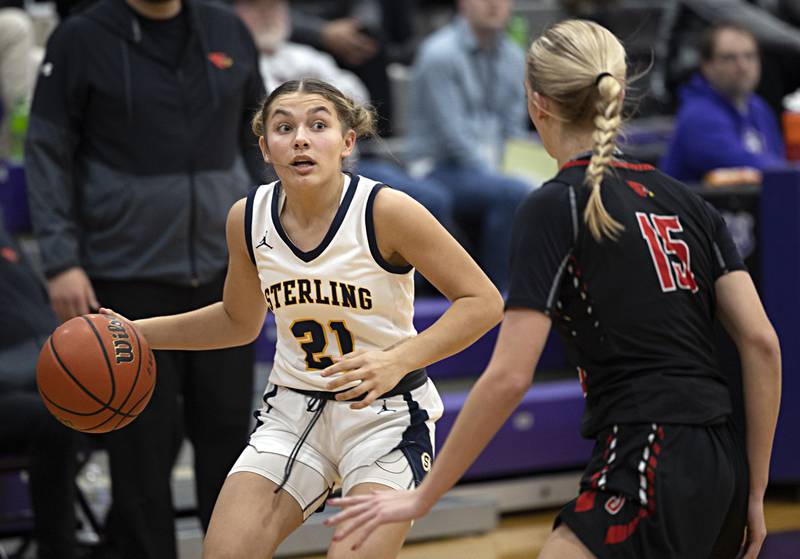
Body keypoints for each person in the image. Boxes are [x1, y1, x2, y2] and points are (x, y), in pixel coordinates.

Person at [326, 19, 782, 559]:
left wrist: (425, 496)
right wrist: (755, 488)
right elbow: (762, 345)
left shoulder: (554, 204)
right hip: (722, 461)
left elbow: (509, 376)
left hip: (645, 450)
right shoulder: (687, 200)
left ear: (537, 102)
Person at [101, 78, 503, 558]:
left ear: (347, 141)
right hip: (293, 412)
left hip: (385, 416)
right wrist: (134, 333)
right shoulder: (247, 218)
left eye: (318, 124)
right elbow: (237, 320)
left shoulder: (387, 211)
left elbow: (483, 301)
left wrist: (398, 359)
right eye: (283, 127)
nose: (300, 138)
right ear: (265, 147)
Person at [24, 0, 265, 556]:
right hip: (125, 274)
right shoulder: (80, 38)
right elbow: (46, 151)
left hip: (226, 275)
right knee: (141, 451)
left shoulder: (227, 28)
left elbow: (258, 141)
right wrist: (60, 259)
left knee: (231, 440)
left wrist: (271, 235)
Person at [233, 0, 455, 232]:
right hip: (286, 177)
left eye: (274, 9)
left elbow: (358, 96)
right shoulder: (236, 65)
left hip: (353, 165)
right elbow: (269, 112)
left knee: (431, 198)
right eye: (256, 10)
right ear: (235, 14)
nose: (267, 16)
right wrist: (320, 109)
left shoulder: (304, 55)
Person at [407, 0, 531, 291]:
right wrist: (503, 176)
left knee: (546, 188)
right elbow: (454, 139)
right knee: (512, 192)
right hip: (439, 167)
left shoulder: (514, 56)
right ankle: (502, 295)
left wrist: (521, 171)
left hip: (492, 169)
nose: (493, 4)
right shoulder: (439, 54)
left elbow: (514, 132)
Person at [0, 214, 80, 559]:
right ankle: (59, 551)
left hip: (42, 372)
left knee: (141, 408)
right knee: (53, 421)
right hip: (12, 391)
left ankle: (116, 543)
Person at [660, 22, 787, 183]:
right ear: (707, 65)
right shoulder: (698, 116)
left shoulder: (759, 107)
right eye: (729, 58)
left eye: (749, 56)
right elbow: (746, 164)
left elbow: (776, 163)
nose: (743, 66)